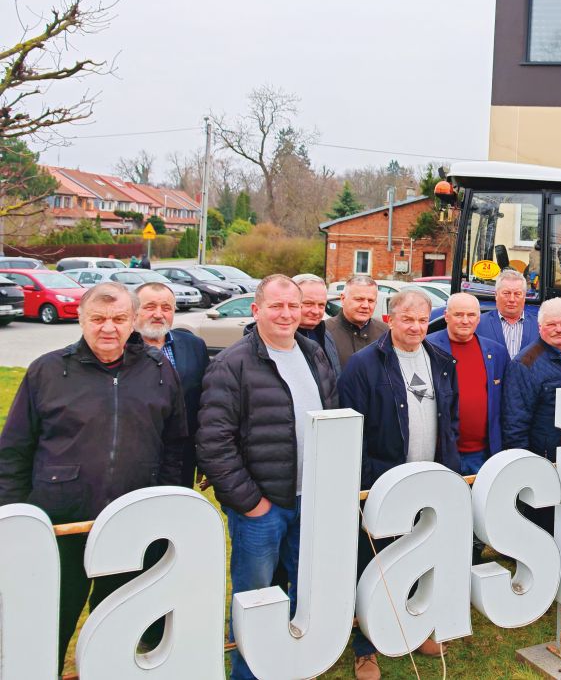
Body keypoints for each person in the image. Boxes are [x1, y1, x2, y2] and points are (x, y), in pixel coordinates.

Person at [0, 281, 187, 674]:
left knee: (118, 627)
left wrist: (164, 506)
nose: (108, 328)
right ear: (81, 319)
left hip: (129, 526)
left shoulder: (158, 370)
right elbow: (14, 450)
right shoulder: (48, 371)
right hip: (60, 525)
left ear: (133, 321)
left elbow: (175, 445)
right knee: (51, 621)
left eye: (118, 318)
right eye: (98, 318)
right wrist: (15, 518)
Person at [196, 275, 338, 680]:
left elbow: (333, 418)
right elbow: (213, 443)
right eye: (276, 306)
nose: (286, 314)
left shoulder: (314, 353)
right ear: (256, 310)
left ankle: (292, 664)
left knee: (304, 592)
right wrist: (252, 504)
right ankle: (249, 673)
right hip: (263, 508)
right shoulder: (232, 364)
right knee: (255, 598)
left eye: (293, 306)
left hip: (310, 502)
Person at [338, 288, 459, 677]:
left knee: (420, 559)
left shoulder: (441, 361)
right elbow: (351, 430)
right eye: (407, 319)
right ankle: (366, 646)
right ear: (389, 320)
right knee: (374, 563)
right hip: (382, 484)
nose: (416, 327)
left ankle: (416, 628)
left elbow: (450, 420)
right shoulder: (363, 365)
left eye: (423, 320)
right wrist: (363, 486)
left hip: (429, 482)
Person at [501, 297, 561, 534]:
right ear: (540, 327)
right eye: (551, 324)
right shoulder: (525, 363)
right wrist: (526, 467)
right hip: (545, 460)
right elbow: (515, 421)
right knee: (544, 524)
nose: (559, 329)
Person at [135, 281, 210, 486]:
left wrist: (204, 456)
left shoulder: (194, 345)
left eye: (166, 308)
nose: (158, 314)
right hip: (133, 460)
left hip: (181, 459)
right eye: (150, 307)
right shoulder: (120, 348)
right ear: (134, 311)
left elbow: (205, 403)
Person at [427, 292, 508, 475]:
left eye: (471, 315)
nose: (465, 321)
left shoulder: (496, 352)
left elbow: (506, 402)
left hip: (484, 455)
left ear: (478, 318)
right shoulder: (428, 348)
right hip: (441, 454)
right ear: (446, 316)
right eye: (458, 314)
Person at [325, 275, 388, 367]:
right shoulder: (324, 331)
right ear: (343, 299)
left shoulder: (386, 333)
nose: (365, 305)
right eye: (359, 299)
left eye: (370, 301)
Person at [477, 269, 539, 359]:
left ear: (524, 296)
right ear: (496, 295)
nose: (512, 299)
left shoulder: (539, 326)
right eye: (506, 293)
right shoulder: (479, 323)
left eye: (517, 294)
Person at [291, 273, 341, 374]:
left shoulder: (326, 335)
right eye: (308, 303)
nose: (316, 311)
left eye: (321, 305)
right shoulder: (279, 339)